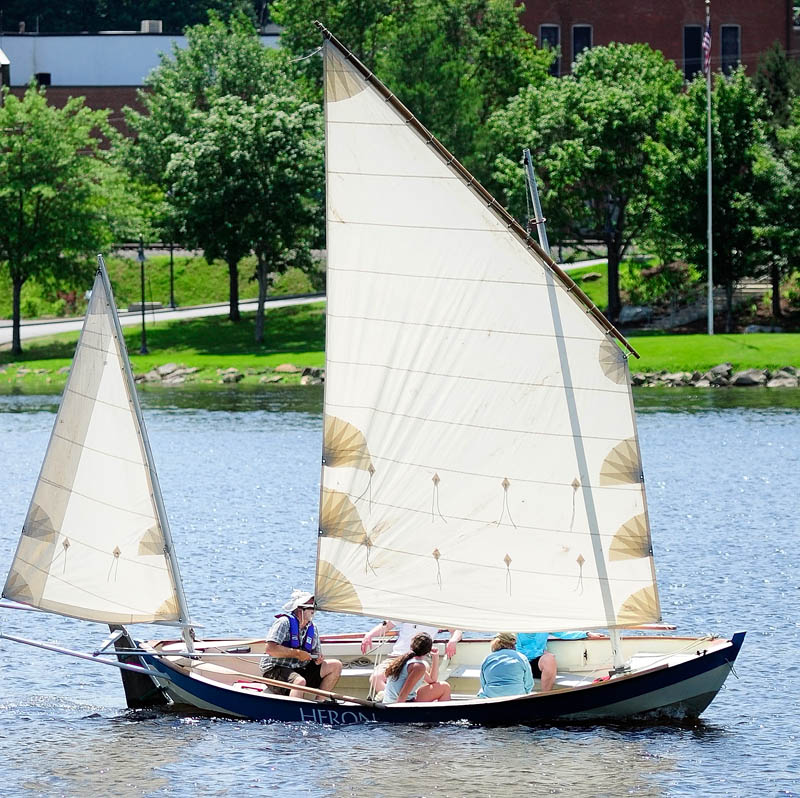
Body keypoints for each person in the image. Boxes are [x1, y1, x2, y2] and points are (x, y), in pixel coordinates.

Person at [260, 589, 342, 699]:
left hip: (299, 668)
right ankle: (294, 712)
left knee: (336, 665)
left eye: (314, 607)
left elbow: (315, 653)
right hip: (275, 669)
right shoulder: (284, 623)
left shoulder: (313, 628)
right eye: (310, 608)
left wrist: (317, 658)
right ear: (300, 610)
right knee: (299, 681)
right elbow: (270, 649)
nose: (314, 610)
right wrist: (297, 653)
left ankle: (319, 704)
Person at [360, 620, 462, 693]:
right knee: (376, 677)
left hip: (421, 656)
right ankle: (391, 701)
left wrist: (453, 641)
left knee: (415, 674)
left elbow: (457, 631)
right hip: (397, 656)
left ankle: (400, 701)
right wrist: (369, 635)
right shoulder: (406, 610)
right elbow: (386, 626)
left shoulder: (437, 613)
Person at [516, 631, 602, 691]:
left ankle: (545, 696)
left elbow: (564, 633)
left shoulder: (543, 625)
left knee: (549, 658)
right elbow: (516, 650)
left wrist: (587, 634)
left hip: (537, 663)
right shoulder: (515, 628)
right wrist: (540, 652)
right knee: (547, 656)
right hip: (519, 663)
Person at [382, 632, 451, 704]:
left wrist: (435, 658)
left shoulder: (407, 659)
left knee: (442, 685)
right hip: (397, 703)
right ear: (428, 650)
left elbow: (432, 680)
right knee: (445, 687)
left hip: (390, 701)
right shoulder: (418, 667)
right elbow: (403, 694)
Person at [477, 632, 533, 699]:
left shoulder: (487, 658)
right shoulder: (522, 658)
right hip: (516, 696)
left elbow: (483, 683)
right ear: (513, 643)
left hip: (492, 697)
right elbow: (529, 684)